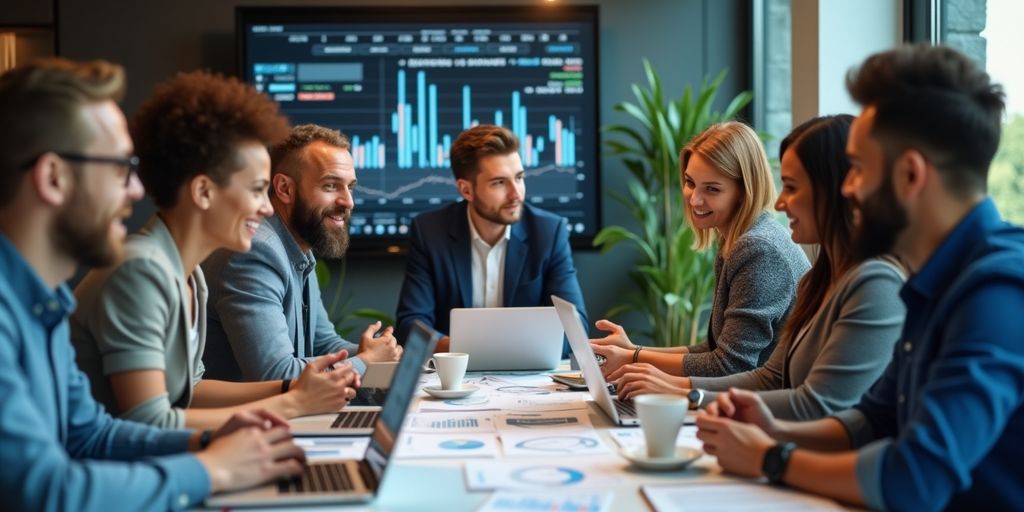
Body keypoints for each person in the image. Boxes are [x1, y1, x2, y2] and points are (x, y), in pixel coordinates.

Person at [696, 44, 1024, 511]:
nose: (846, 188)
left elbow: (915, 477)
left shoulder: (996, 292)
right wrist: (772, 427)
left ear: (911, 175)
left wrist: (772, 458)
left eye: (859, 170)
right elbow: (873, 419)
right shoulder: (933, 279)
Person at [0, 58, 306, 510]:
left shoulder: (44, 303)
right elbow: (45, 490)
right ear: (53, 177)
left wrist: (212, 440)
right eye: (119, 168)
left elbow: (90, 434)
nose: (136, 190)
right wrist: (213, 467)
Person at [71, 72, 360, 430]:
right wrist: (291, 404)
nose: (267, 208)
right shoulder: (141, 270)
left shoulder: (190, 275)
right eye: (256, 190)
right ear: (204, 192)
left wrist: (292, 389)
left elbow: (191, 389)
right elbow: (147, 420)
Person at [606, 115, 907, 421]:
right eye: (690, 183)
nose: (779, 203)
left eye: (791, 187)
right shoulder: (818, 277)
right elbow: (770, 378)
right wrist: (666, 380)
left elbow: (808, 402)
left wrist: (667, 381)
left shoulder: (870, 282)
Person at [592, 122, 809, 377]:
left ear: (744, 191)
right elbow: (713, 349)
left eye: (712, 189)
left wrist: (632, 358)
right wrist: (633, 350)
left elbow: (730, 365)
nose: (694, 199)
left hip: (766, 407)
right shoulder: (735, 239)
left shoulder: (758, 249)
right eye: (690, 182)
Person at [202, 124, 402, 382]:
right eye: (331, 186)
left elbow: (323, 343)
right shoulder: (255, 252)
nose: (348, 202)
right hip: (244, 419)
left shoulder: (298, 247)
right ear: (285, 189)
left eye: (349, 187)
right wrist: (364, 362)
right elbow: (275, 374)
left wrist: (375, 353)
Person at [394, 124, 588, 355]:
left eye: (519, 178)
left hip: (528, 378)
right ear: (466, 190)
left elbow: (576, 329)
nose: (516, 194)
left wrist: (494, 350)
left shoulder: (548, 231)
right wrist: (468, 351)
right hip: (456, 378)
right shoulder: (430, 231)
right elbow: (411, 326)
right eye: (499, 182)